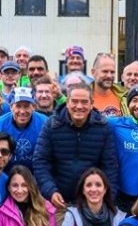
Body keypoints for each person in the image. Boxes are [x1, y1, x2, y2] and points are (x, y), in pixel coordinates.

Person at [35, 80, 119, 209]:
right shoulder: (52, 125)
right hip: (59, 201)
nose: (79, 106)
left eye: (84, 102)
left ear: (92, 104)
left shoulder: (103, 127)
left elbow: (110, 167)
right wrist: (50, 191)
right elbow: (41, 162)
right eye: (74, 101)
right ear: (67, 103)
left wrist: (108, 200)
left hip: (93, 202)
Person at [0, 86, 46, 169]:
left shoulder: (44, 123)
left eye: (26, 106)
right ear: (11, 107)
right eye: (18, 106)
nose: (22, 111)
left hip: (37, 174)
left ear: (33, 107)